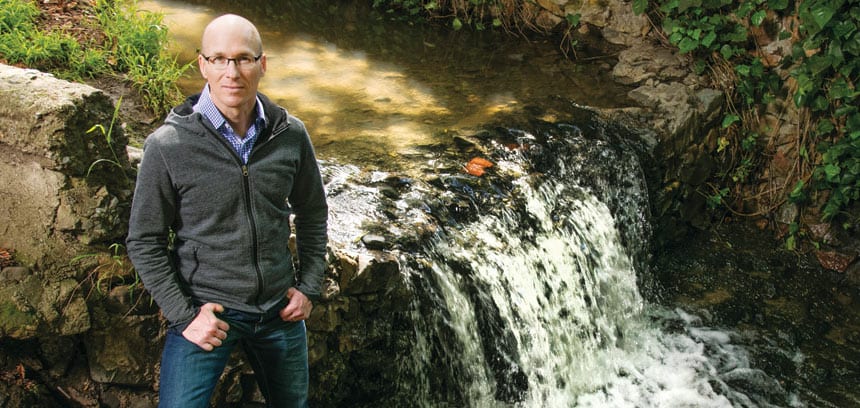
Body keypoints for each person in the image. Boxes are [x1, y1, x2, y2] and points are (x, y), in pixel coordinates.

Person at [126, 13, 328, 408]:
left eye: (243, 58)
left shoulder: (291, 136)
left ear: (262, 64)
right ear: (202, 64)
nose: (231, 71)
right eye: (219, 59)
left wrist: (309, 287)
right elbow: (144, 240)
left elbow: (313, 211)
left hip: (278, 310)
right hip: (209, 311)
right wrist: (185, 316)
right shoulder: (168, 146)